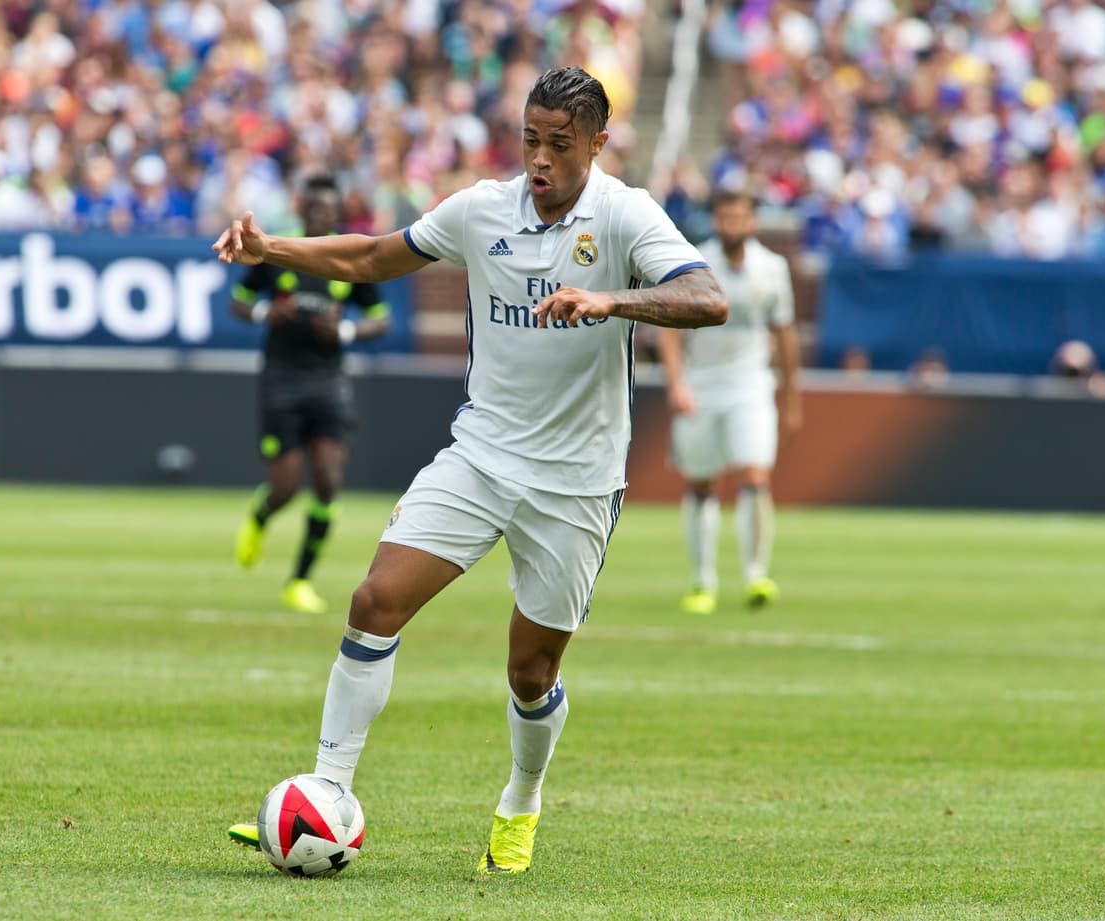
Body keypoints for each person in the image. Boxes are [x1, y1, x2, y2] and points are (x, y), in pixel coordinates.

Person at [214, 66, 726, 874]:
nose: (541, 159)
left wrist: (610, 300)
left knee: (531, 670)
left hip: (577, 482)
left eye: (560, 144)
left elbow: (708, 297)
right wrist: (273, 247)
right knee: (374, 599)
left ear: (597, 143)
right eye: (530, 139)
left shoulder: (625, 215)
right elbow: (375, 258)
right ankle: (328, 789)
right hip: (482, 454)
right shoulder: (482, 208)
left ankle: (521, 799)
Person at [230, 173, 392, 613]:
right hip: (281, 378)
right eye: (313, 207)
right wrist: (267, 311)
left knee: (327, 480)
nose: (320, 213)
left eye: (328, 208)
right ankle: (263, 515)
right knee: (285, 488)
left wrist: (343, 330)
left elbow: (381, 317)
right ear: (301, 208)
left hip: (328, 382)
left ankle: (299, 580)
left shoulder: (347, 258)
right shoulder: (277, 252)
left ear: (337, 212)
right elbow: (238, 301)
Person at [657, 190, 801, 615]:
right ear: (715, 221)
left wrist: (792, 399)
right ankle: (702, 581)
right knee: (701, 482)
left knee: (754, 475)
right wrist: (676, 383)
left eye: (739, 216)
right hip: (701, 383)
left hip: (751, 384)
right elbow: (668, 328)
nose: (731, 225)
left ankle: (756, 574)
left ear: (753, 221)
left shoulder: (773, 269)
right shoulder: (695, 264)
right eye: (724, 217)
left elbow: (785, 334)